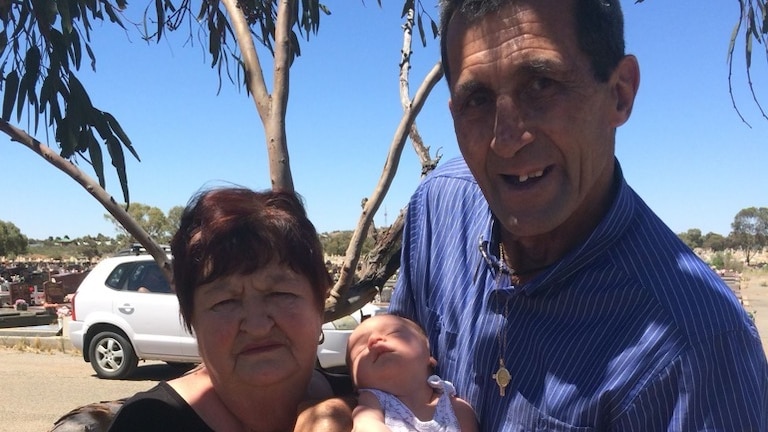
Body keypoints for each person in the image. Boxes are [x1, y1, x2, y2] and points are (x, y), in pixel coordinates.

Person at [388, 0, 768, 430]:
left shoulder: (699, 350)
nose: (506, 139)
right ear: (455, 113)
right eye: (478, 98)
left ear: (620, 93)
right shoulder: (439, 210)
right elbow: (390, 382)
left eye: (541, 84)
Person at [108, 187, 352, 432]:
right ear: (191, 316)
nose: (257, 327)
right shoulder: (150, 422)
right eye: (225, 302)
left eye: (279, 294)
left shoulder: (374, 403)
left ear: (319, 301)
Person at [346, 314, 478, 432]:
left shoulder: (456, 408)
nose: (374, 340)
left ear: (430, 356)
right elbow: (366, 424)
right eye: (360, 349)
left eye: (394, 333)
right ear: (355, 382)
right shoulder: (372, 401)